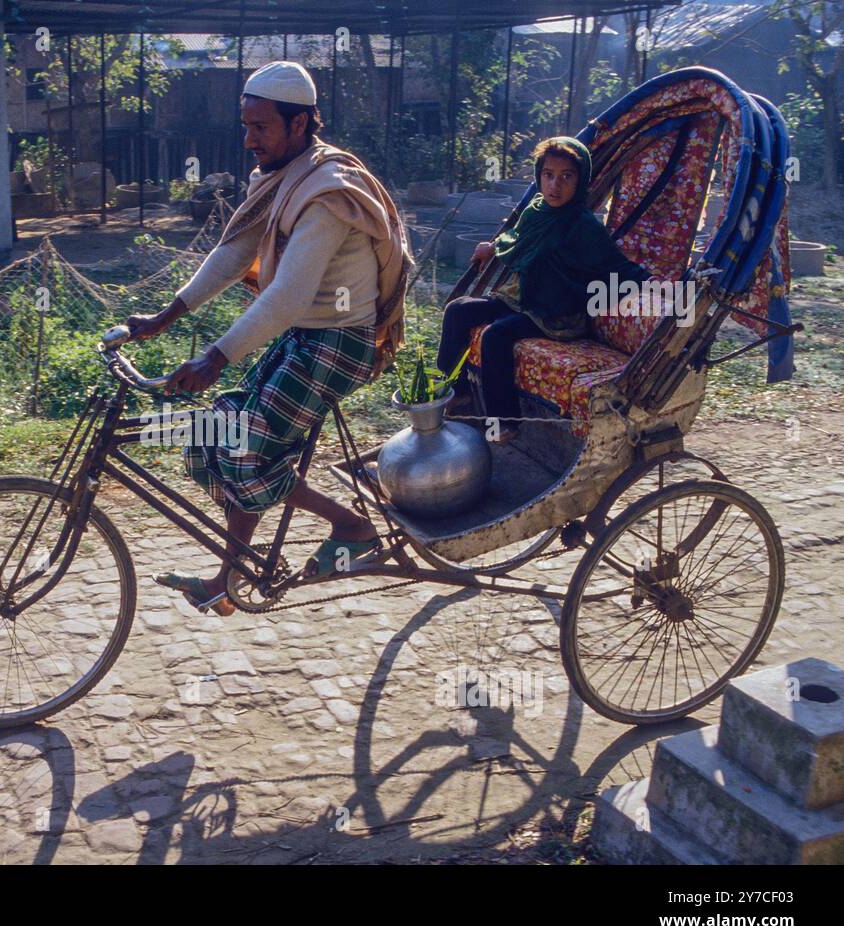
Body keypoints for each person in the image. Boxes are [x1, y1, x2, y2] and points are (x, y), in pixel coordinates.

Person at [126, 60, 412, 616]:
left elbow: (287, 294)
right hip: (306, 336)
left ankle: (352, 527)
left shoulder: (328, 192)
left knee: (246, 443)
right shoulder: (280, 178)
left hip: (340, 342)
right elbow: (236, 253)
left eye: (261, 128)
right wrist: (165, 316)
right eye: (246, 126)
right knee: (221, 430)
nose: (249, 140)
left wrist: (214, 357)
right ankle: (229, 579)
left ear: (300, 124)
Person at [436, 136, 651, 442]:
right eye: (548, 175)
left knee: (496, 335)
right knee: (458, 310)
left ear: (581, 181)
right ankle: (456, 393)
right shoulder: (536, 211)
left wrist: (651, 283)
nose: (555, 186)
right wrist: (492, 247)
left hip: (556, 314)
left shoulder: (583, 224)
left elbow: (617, 266)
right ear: (539, 176)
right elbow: (519, 239)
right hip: (520, 298)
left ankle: (506, 422)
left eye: (566, 177)